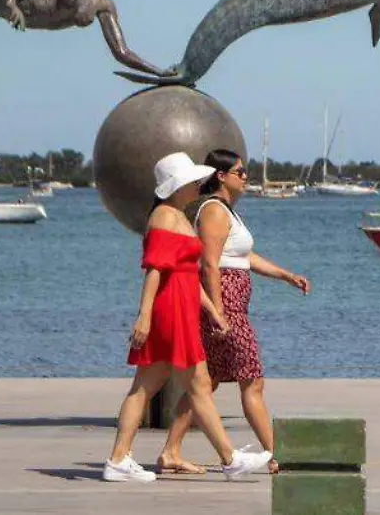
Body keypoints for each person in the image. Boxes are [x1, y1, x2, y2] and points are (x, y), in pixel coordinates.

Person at [103, 152, 269, 483]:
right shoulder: (165, 216)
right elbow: (154, 270)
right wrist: (144, 316)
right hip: (169, 311)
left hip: (181, 306)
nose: (197, 185)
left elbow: (188, 276)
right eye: (192, 181)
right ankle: (229, 457)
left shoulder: (178, 214)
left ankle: (119, 459)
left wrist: (213, 312)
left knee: (149, 388)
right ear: (177, 185)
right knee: (196, 385)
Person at [158, 150, 311, 475]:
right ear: (221, 176)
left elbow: (244, 256)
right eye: (240, 172)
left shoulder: (226, 211)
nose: (246, 177)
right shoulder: (213, 211)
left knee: (206, 381)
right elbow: (211, 264)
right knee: (252, 381)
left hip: (230, 303)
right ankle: (275, 455)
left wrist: (286, 276)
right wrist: (218, 311)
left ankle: (170, 451)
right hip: (225, 305)